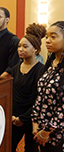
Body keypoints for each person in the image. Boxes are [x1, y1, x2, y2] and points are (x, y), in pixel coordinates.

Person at [8, 23, 46, 152]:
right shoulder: (15, 69)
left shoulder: (41, 70)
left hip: (32, 119)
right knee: (9, 146)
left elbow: (38, 99)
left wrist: (23, 119)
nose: (20, 49)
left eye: (25, 46)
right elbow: (12, 94)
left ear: (35, 49)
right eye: (19, 46)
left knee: (31, 149)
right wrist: (13, 116)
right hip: (14, 118)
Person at [31, 21, 64, 151]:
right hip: (42, 130)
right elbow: (40, 95)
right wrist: (35, 123)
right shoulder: (51, 64)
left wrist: (46, 132)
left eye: (53, 37)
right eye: (47, 37)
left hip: (58, 134)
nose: (48, 41)